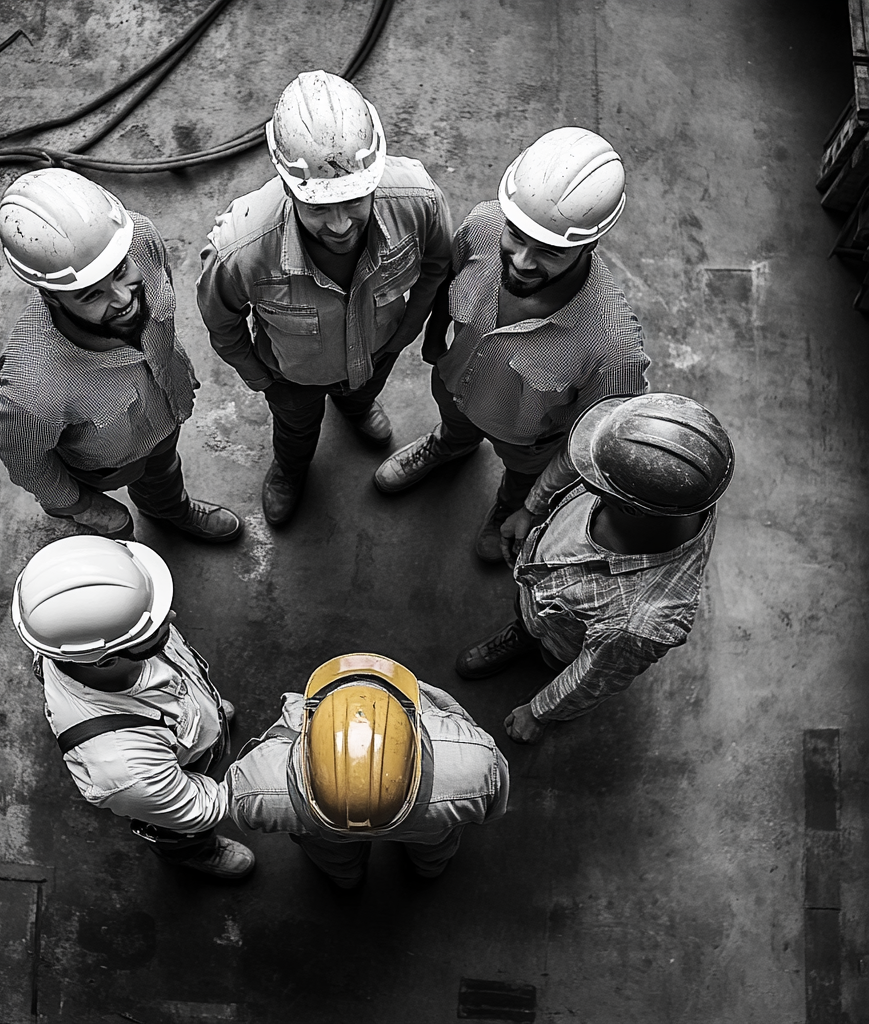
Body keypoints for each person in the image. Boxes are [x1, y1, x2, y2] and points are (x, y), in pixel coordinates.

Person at [375, 126, 651, 563]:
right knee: (456, 422)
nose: (522, 262)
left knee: (522, 476)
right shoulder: (484, 225)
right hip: (454, 385)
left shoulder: (612, 348)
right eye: (517, 237)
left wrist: (531, 506)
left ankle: (509, 501)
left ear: (589, 243)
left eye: (548, 252)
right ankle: (451, 444)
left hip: (528, 443)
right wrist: (433, 341)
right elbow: (448, 281)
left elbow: (586, 444)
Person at [196, 70, 453, 525]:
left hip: (378, 352)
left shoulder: (418, 200)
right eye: (317, 206)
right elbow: (223, 323)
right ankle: (291, 468)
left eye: (355, 199)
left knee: (361, 392)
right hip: (291, 378)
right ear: (288, 185)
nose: (339, 225)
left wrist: (403, 335)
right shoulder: (241, 249)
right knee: (295, 428)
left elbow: (436, 265)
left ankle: (357, 407)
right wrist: (264, 380)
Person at [454, 393, 735, 745]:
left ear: (630, 509)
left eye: (595, 480)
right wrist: (531, 507)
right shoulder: (673, 476)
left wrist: (539, 711)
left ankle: (535, 643)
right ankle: (523, 631)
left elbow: (594, 677)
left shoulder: (638, 623)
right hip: (542, 596)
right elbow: (576, 459)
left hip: (564, 641)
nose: (586, 474)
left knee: (550, 653)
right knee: (528, 620)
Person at [0, 168, 242, 544]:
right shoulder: (32, 391)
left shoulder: (138, 238)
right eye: (92, 295)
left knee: (164, 474)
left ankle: (168, 510)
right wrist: (87, 508)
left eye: (121, 271)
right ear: (50, 296)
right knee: (115, 537)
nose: (124, 299)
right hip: (103, 467)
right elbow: (27, 462)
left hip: (165, 416)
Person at [11, 535, 255, 878]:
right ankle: (194, 853)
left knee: (207, 720)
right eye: (152, 630)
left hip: (182, 722)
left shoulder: (87, 635)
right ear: (104, 661)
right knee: (180, 832)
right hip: (165, 785)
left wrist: (201, 712)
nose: (171, 615)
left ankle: (199, 724)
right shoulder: (125, 767)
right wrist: (261, 785)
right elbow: (196, 807)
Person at [227, 653, 508, 889]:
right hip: (429, 826)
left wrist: (283, 734)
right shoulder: (475, 762)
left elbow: (239, 810)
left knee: (336, 860)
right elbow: (494, 809)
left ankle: (346, 880)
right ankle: (428, 871)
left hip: (321, 833)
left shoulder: (256, 783)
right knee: (434, 851)